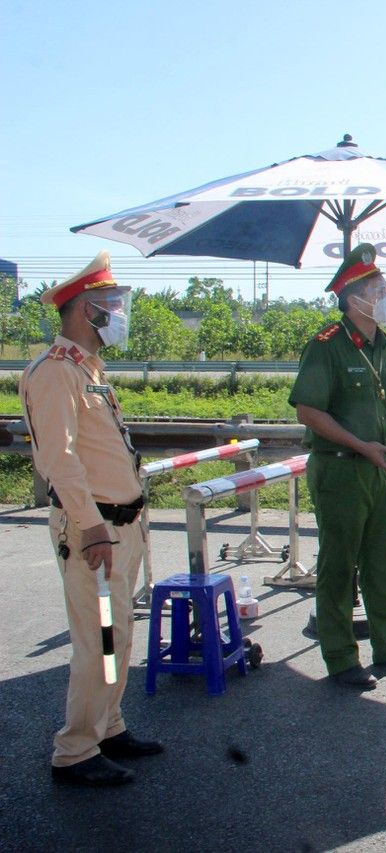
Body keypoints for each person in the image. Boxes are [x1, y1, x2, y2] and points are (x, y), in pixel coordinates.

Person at [21, 252, 160, 786]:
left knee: (117, 635)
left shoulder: (86, 369)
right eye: (112, 304)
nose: (120, 313)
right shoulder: (57, 373)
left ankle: (109, 726)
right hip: (94, 529)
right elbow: (59, 460)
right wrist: (93, 526)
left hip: (119, 525)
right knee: (98, 638)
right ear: (86, 311)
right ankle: (76, 750)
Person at [288, 244, 386, 690]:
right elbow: (308, 412)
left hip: (379, 467)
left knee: (385, 555)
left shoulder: (384, 344)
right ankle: (340, 656)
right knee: (339, 563)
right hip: (340, 468)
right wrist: (361, 444)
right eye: (379, 287)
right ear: (355, 298)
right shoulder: (326, 347)